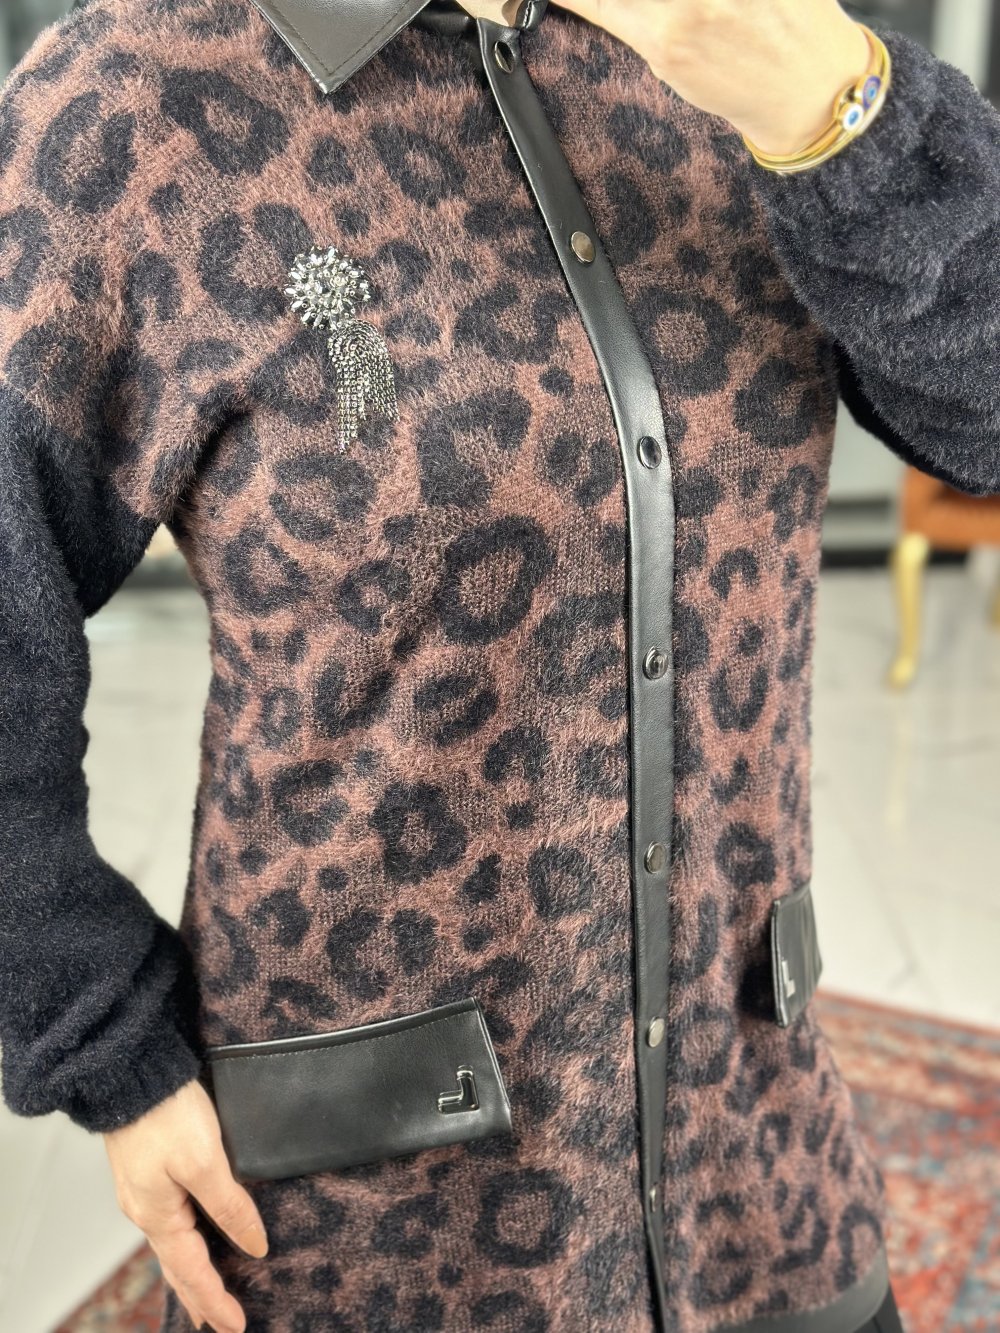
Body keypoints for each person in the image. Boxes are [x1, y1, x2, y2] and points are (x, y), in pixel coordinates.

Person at [0, 0, 995, 1329]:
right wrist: (101, 1042)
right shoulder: (138, 101)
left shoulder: (745, 45)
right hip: (372, 1214)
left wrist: (841, 116)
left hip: (757, 1169)